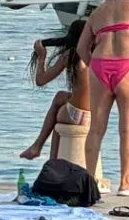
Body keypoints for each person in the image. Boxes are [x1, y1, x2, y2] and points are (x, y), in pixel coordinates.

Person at [73, 0, 129, 193]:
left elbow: (81, 47)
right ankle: (125, 183)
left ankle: (91, 181)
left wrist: (94, 65)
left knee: (95, 128)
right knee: (127, 130)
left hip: (99, 66)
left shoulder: (97, 12)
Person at [19, 20, 92, 170]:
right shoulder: (99, 54)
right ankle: (42, 153)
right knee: (61, 96)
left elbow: (41, 80)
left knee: (59, 106)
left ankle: (41, 151)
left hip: (76, 115)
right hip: (95, 116)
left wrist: (41, 57)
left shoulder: (71, 55)